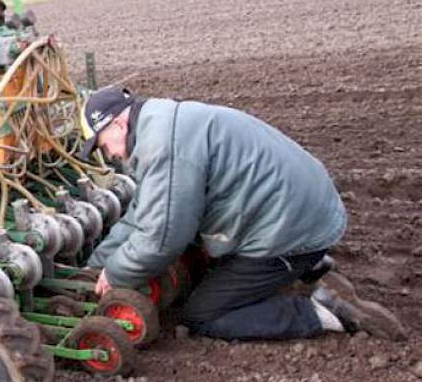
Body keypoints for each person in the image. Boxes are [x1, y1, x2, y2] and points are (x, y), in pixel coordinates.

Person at [79, 85, 406, 341]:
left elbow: (163, 236)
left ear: (119, 123)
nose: (105, 152)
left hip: (292, 227)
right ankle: (308, 267)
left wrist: (116, 275)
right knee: (217, 264)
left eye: (101, 142)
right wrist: (97, 265)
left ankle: (318, 311)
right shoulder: (163, 123)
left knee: (203, 315)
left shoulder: (164, 147)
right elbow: (142, 213)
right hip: (302, 209)